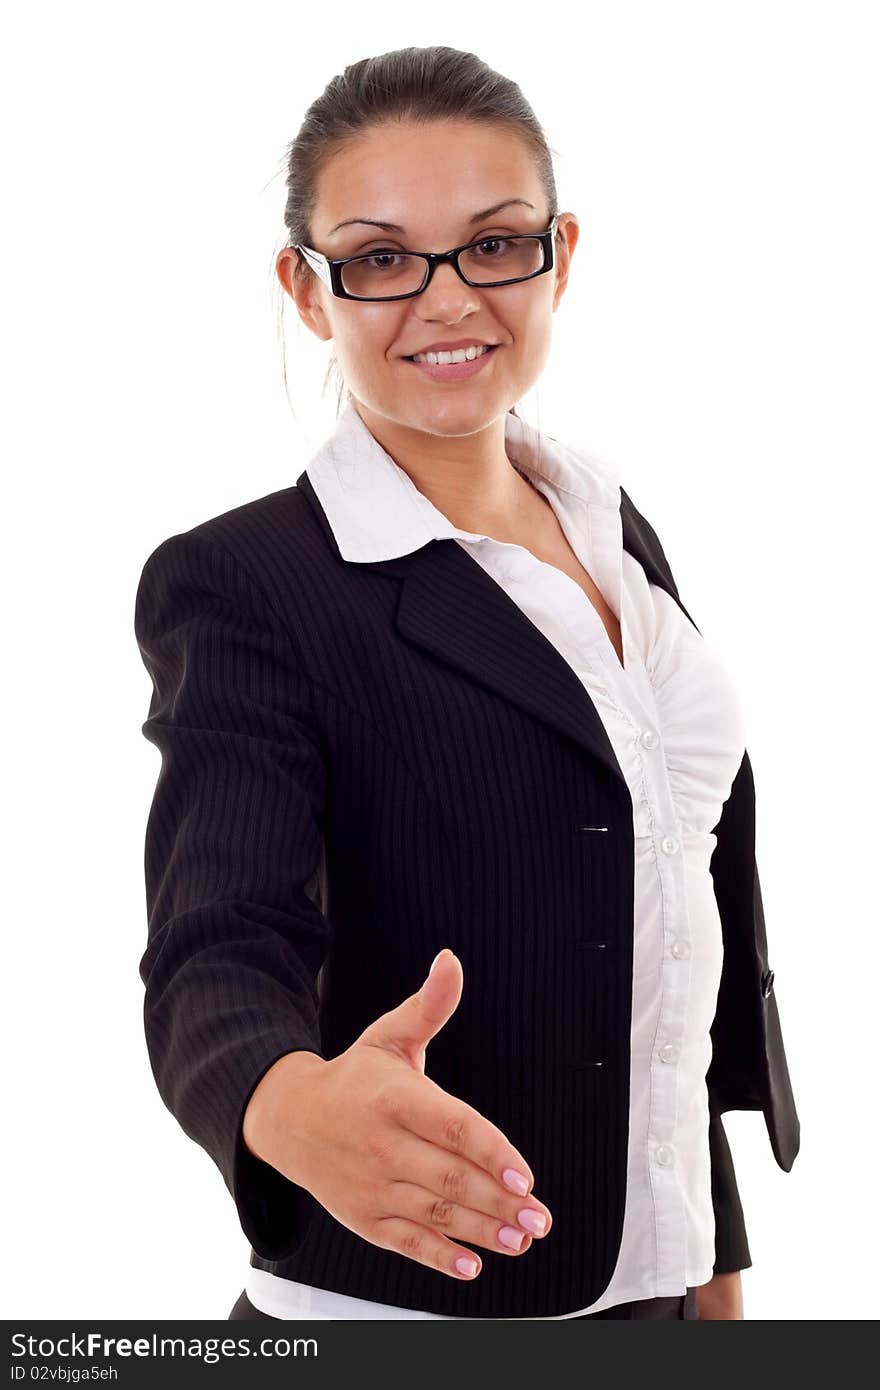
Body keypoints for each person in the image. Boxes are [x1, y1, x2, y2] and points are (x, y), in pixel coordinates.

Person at [134, 45, 800, 1322]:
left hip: (653, 1291)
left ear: (559, 252)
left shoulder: (610, 525)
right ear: (308, 287)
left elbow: (665, 926)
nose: (446, 300)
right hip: (412, 1308)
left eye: (494, 245)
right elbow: (217, 941)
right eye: (381, 258)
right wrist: (279, 1097)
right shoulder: (246, 581)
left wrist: (709, 1273)